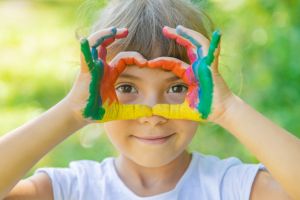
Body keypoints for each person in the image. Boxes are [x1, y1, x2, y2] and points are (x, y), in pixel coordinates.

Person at [1, 0, 299, 199]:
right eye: (128, 89)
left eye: (177, 88)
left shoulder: (230, 187)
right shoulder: (70, 189)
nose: (153, 116)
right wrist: (70, 112)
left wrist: (229, 109)